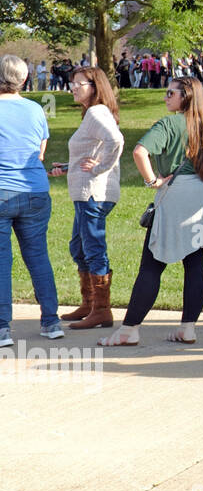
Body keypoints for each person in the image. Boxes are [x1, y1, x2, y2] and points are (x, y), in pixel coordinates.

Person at [99, 77, 203, 346]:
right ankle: (188, 327)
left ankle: (129, 329)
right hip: (202, 195)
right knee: (195, 264)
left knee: (152, 265)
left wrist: (152, 181)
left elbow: (139, 152)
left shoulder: (168, 124)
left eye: (171, 93)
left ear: (186, 96)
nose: (166, 97)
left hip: (175, 194)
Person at [49, 67, 124, 331]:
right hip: (87, 193)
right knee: (78, 247)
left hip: (93, 193)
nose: (73, 88)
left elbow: (115, 140)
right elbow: (95, 149)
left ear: (94, 86)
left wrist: (98, 168)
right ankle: (90, 304)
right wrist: (70, 166)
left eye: (78, 83)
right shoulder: (93, 113)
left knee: (92, 249)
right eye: (72, 84)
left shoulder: (95, 112)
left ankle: (101, 310)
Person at [0, 55, 62, 346]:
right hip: (34, 190)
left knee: (2, 262)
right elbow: (40, 152)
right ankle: (51, 321)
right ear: (23, 80)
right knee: (38, 256)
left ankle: (2, 328)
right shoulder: (36, 109)